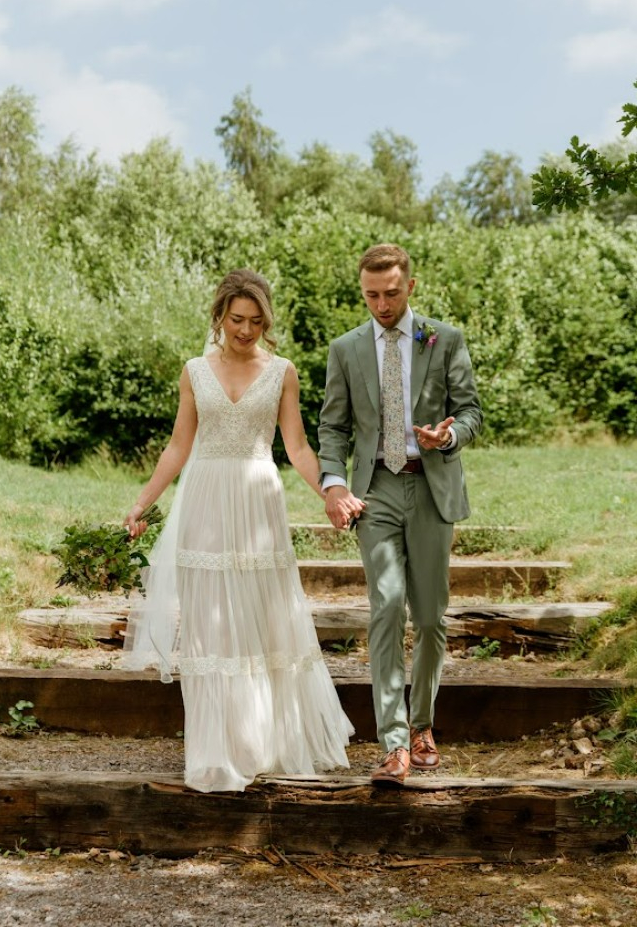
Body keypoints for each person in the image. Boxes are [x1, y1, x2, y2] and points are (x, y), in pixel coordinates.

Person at [123, 269, 352, 792]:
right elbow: (178, 447)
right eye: (236, 320)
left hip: (256, 503)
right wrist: (140, 504)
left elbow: (296, 448)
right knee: (210, 624)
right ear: (220, 316)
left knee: (263, 618)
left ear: (266, 321)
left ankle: (263, 741)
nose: (245, 330)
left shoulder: (282, 372)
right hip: (204, 499)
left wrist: (332, 494)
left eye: (255, 321)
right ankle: (216, 749)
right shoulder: (194, 371)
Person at [318, 244, 483, 786]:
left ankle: (423, 726)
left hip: (432, 487)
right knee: (386, 607)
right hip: (376, 491)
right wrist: (334, 482)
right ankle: (392, 742)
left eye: (391, 293)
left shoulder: (445, 339)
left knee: (432, 617)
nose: (382, 304)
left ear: (410, 286)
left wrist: (449, 434)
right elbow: (333, 426)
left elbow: (473, 410)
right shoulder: (345, 349)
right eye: (371, 295)